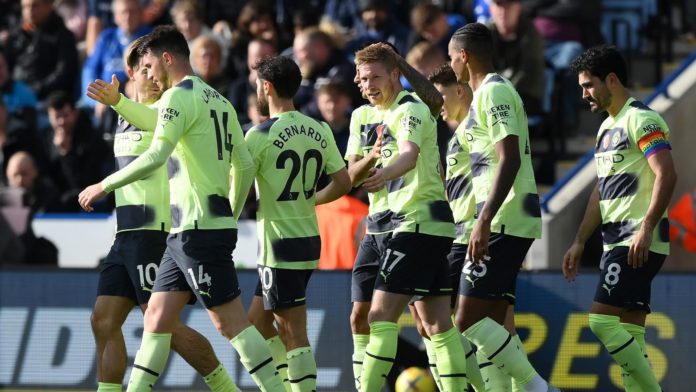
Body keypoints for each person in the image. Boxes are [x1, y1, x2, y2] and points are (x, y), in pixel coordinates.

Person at [78, 25, 284, 392]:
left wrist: (103, 185)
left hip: (193, 226)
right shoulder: (218, 100)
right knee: (156, 319)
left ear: (166, 58)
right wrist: (231, 215)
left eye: (150, 64)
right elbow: (246, 166)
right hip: (188, 230)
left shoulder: (176, 98)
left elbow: (157, 153)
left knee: (230, 324)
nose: (149, 73)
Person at [448, 23, 558, 392]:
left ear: (463, 56)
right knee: (496, 318)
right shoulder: (482, 95)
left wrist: (484, 219)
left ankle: (537, 387)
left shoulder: (494, 92)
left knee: (464, 319)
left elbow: (508, 158)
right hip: (505, 218)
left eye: (451, 58)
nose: (450, 67)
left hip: (504, 218)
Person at [353, 42, 468, 392]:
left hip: (417, 221)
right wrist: (369, 160)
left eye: (375, 77)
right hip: (378, 227)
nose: (368, 85)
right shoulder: (362, 116)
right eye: (362, 79)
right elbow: (351, 172)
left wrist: (383, 172)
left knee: (379, 316)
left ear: (395, 75)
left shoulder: (411, 109)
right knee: (429, 324)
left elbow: (409, 156)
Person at [564, 45, 677, 391]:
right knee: (631, 334)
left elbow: (667, 175)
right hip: (616, 240)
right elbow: (601, 191)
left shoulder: (641, 119)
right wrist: (580, 240)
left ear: (611, 80)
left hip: (636, 241)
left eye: (588, 85)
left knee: (600, 321)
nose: (584, 94)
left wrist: (645, 228)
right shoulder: (606, 128)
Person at [244, 55, 351, 392]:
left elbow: (241, 188)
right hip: (307, 237)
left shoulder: (259, 135)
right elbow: (344, 182)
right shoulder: (318, 128)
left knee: (293, 330)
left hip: (280, 242)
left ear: (267, 87)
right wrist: (312, 199)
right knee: (255, 324)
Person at [3, 0, 80, 101]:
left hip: (46, 101)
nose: (29, 11)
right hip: (13, 97)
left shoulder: (63, 36)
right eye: (25, 7)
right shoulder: (15, 36)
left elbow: (64, 74)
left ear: (48, 6)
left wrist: (34, 90)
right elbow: (6, 66)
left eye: (35, 6)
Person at [487, 0, 546, 117]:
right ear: (491, 9)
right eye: (498, 5)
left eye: (508, 6)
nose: (503, 11)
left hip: (524, 96)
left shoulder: (531, 35)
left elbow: (527, 75)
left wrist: (498, 93)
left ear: (518, 9)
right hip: (492, 95)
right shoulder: (485, 34)